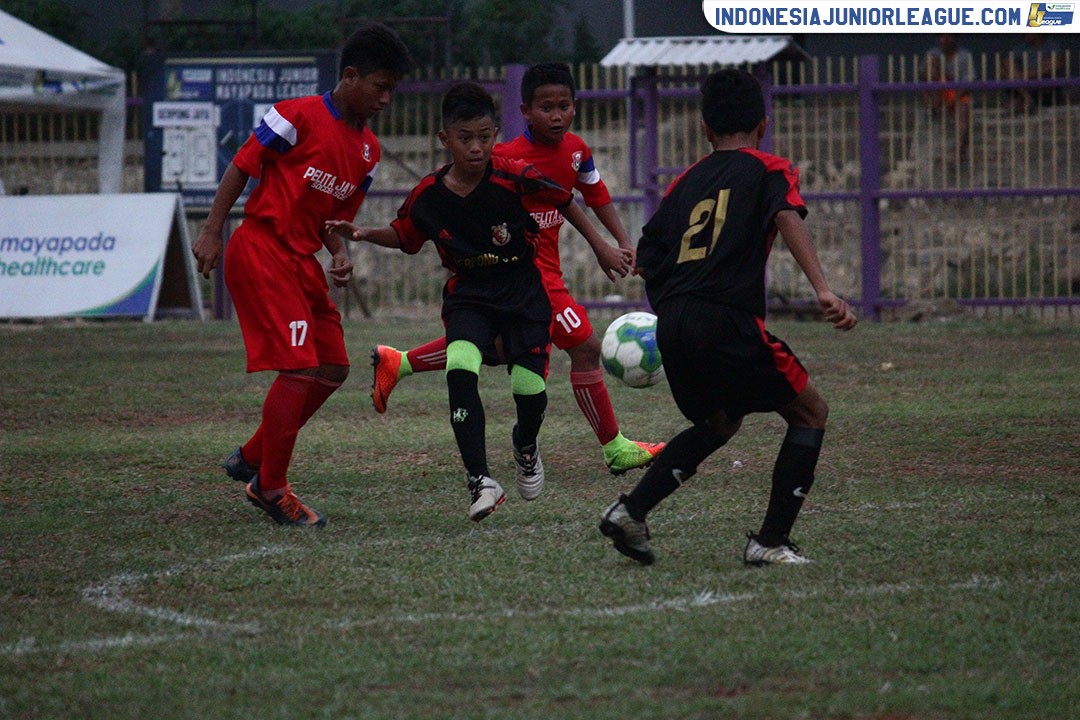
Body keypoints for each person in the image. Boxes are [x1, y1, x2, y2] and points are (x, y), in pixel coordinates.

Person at [598, 68, 858, 567]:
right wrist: (823, 289)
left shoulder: (684, 183)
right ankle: (770, 542)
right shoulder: (769, 169)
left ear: (705, 129)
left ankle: (631, 511)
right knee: (810, 412)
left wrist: (673, 304)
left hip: (674, 321)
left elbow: (648, 257)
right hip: (725, 318)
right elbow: (787, 216)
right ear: (763, 124)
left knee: (719, 421)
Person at [366, 62, 665, 476]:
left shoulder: (577, 151)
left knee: (502, 349)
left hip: (548, 272)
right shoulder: (503, 158)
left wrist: (621, 242)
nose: (556, 116)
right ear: (525, 111)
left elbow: (593, 195)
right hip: (526, 275)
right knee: (583, 348)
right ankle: (606, 447)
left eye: (564, 106)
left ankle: (400, 363)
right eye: (546, 107)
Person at [190, 22, 412, 527]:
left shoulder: (369, 152)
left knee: (333, 366)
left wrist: (338, 251)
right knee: (298, 368)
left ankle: (252, 457)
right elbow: (241, 166)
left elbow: (332, 219)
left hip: (301, 262)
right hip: (262, 249)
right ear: (350, 76)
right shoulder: (296, 115)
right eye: (380, 87)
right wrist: (212, 230)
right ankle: (270, 486)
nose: (386, 99)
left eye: (392, 90)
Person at [326, 82, 574, 522]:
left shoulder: (513, 175)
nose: (476, 148)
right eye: (465, 138)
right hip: (469, 295)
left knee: (529, 390)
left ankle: (525, 443)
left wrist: (604, 247)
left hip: (522, 292)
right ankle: (480, 480)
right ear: (445, 139)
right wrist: (363, 233)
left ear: (495, 134)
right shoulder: (429, 194)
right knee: (460, 366)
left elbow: (567, 202)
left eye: (485, 137)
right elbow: (405, 235)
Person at [919, 34, 975, 163]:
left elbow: (968, 82)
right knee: (932, 60)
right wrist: (928, 100)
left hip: (957, 94)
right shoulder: (933, 53)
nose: (944, 40)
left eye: (948, 36)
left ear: (955, 38)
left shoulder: (964, 55)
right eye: (941, 36)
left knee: (964, 111)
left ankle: (958, 152)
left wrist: (952, 101)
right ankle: (935, 107)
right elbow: (922, 79)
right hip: (937, 93)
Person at [1004, 33, 1066, 113]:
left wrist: (1027, 75)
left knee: (1049, 68)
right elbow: (1007, 62)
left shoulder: (1051, 45)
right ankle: (1027, 98)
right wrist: (1020, 75)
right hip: (1024, 83)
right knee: (1006, 69)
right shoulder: (1021, 47)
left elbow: (1055, 64)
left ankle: (1025, 100)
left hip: (1043, 83)